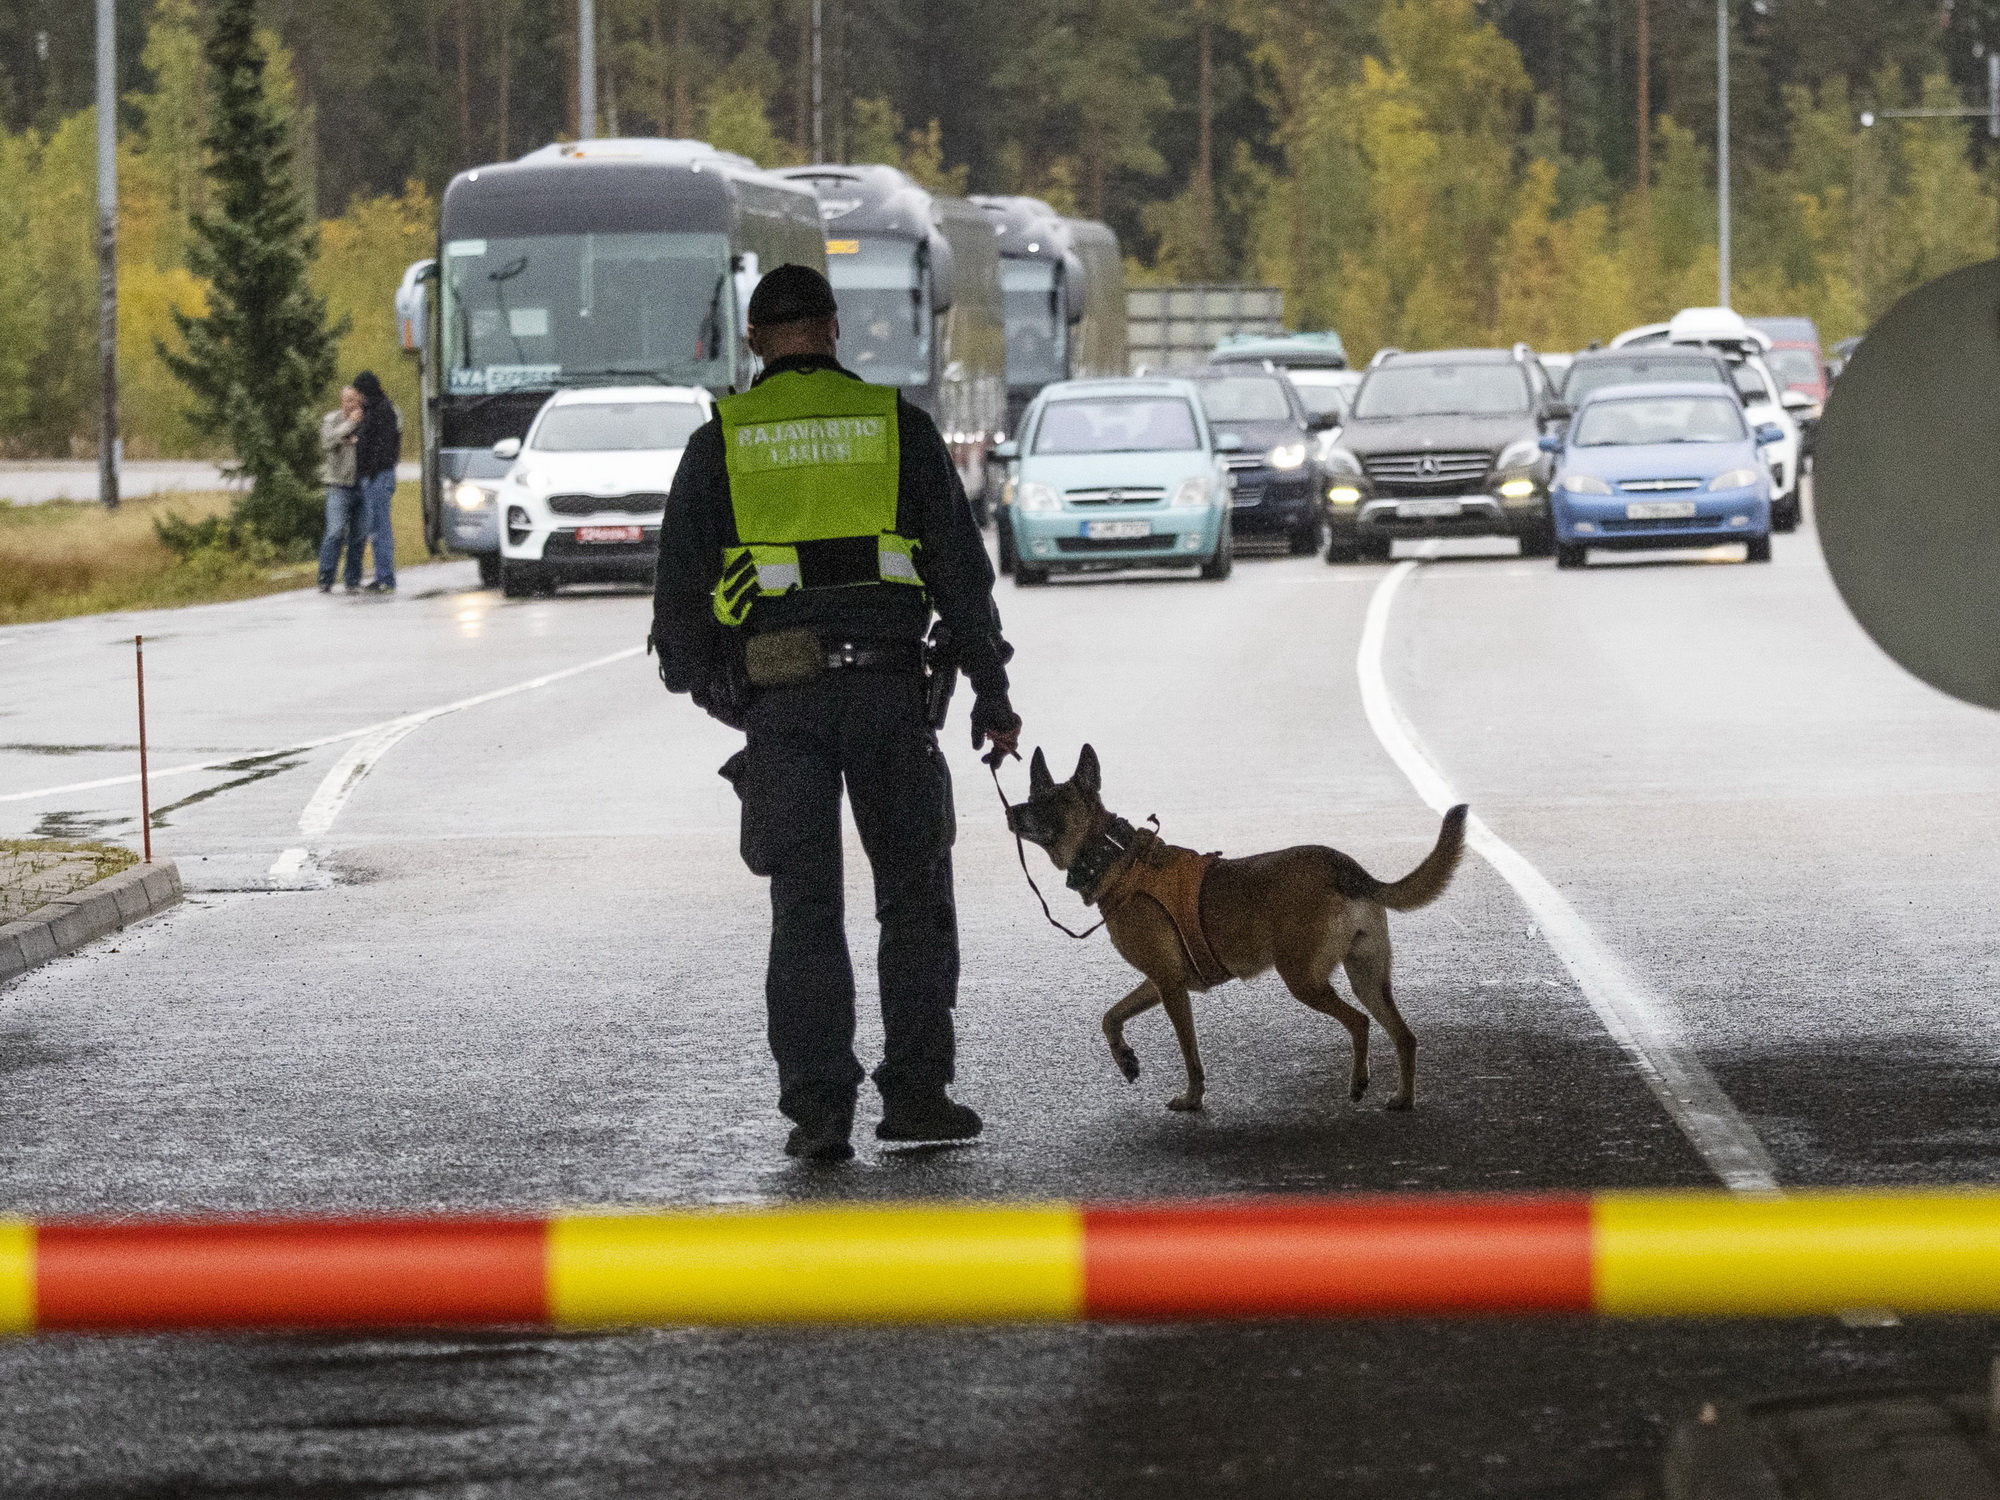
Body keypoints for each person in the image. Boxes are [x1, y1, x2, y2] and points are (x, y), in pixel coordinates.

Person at [651, 264, 1022, 1163]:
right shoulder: (897, 429)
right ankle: (918, 1097)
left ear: (753, 342)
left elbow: (678, 614)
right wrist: (991, 691)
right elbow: (961, 576)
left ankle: (820, 1114)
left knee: (806, 911)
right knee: (914, 900)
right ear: (833, 329)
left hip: (783, 708)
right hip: (895, 700)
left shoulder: (722, 444)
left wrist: (723, 692)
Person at [351, 370, 401, 594]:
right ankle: (382, 575)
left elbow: (382, 446)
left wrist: (369, 470)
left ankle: (386, 578)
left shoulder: (380, 411)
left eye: (359, 392)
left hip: (377, 475)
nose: (358, 396)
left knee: (380, 528)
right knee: (377, 528)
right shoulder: (377, 408)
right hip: (375, 474)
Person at [317, 386, 365, 594]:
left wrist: (351, 437)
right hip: (339, 485)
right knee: (335, 532)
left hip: (362, 485)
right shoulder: (331, 420)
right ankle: (326, 577)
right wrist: (350, 424)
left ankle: (352, 579)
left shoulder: (367, 421)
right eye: (346, 400)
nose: (350, 404)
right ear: (341, 401)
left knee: (359, 535)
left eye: (354, 400)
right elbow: (328, 442)